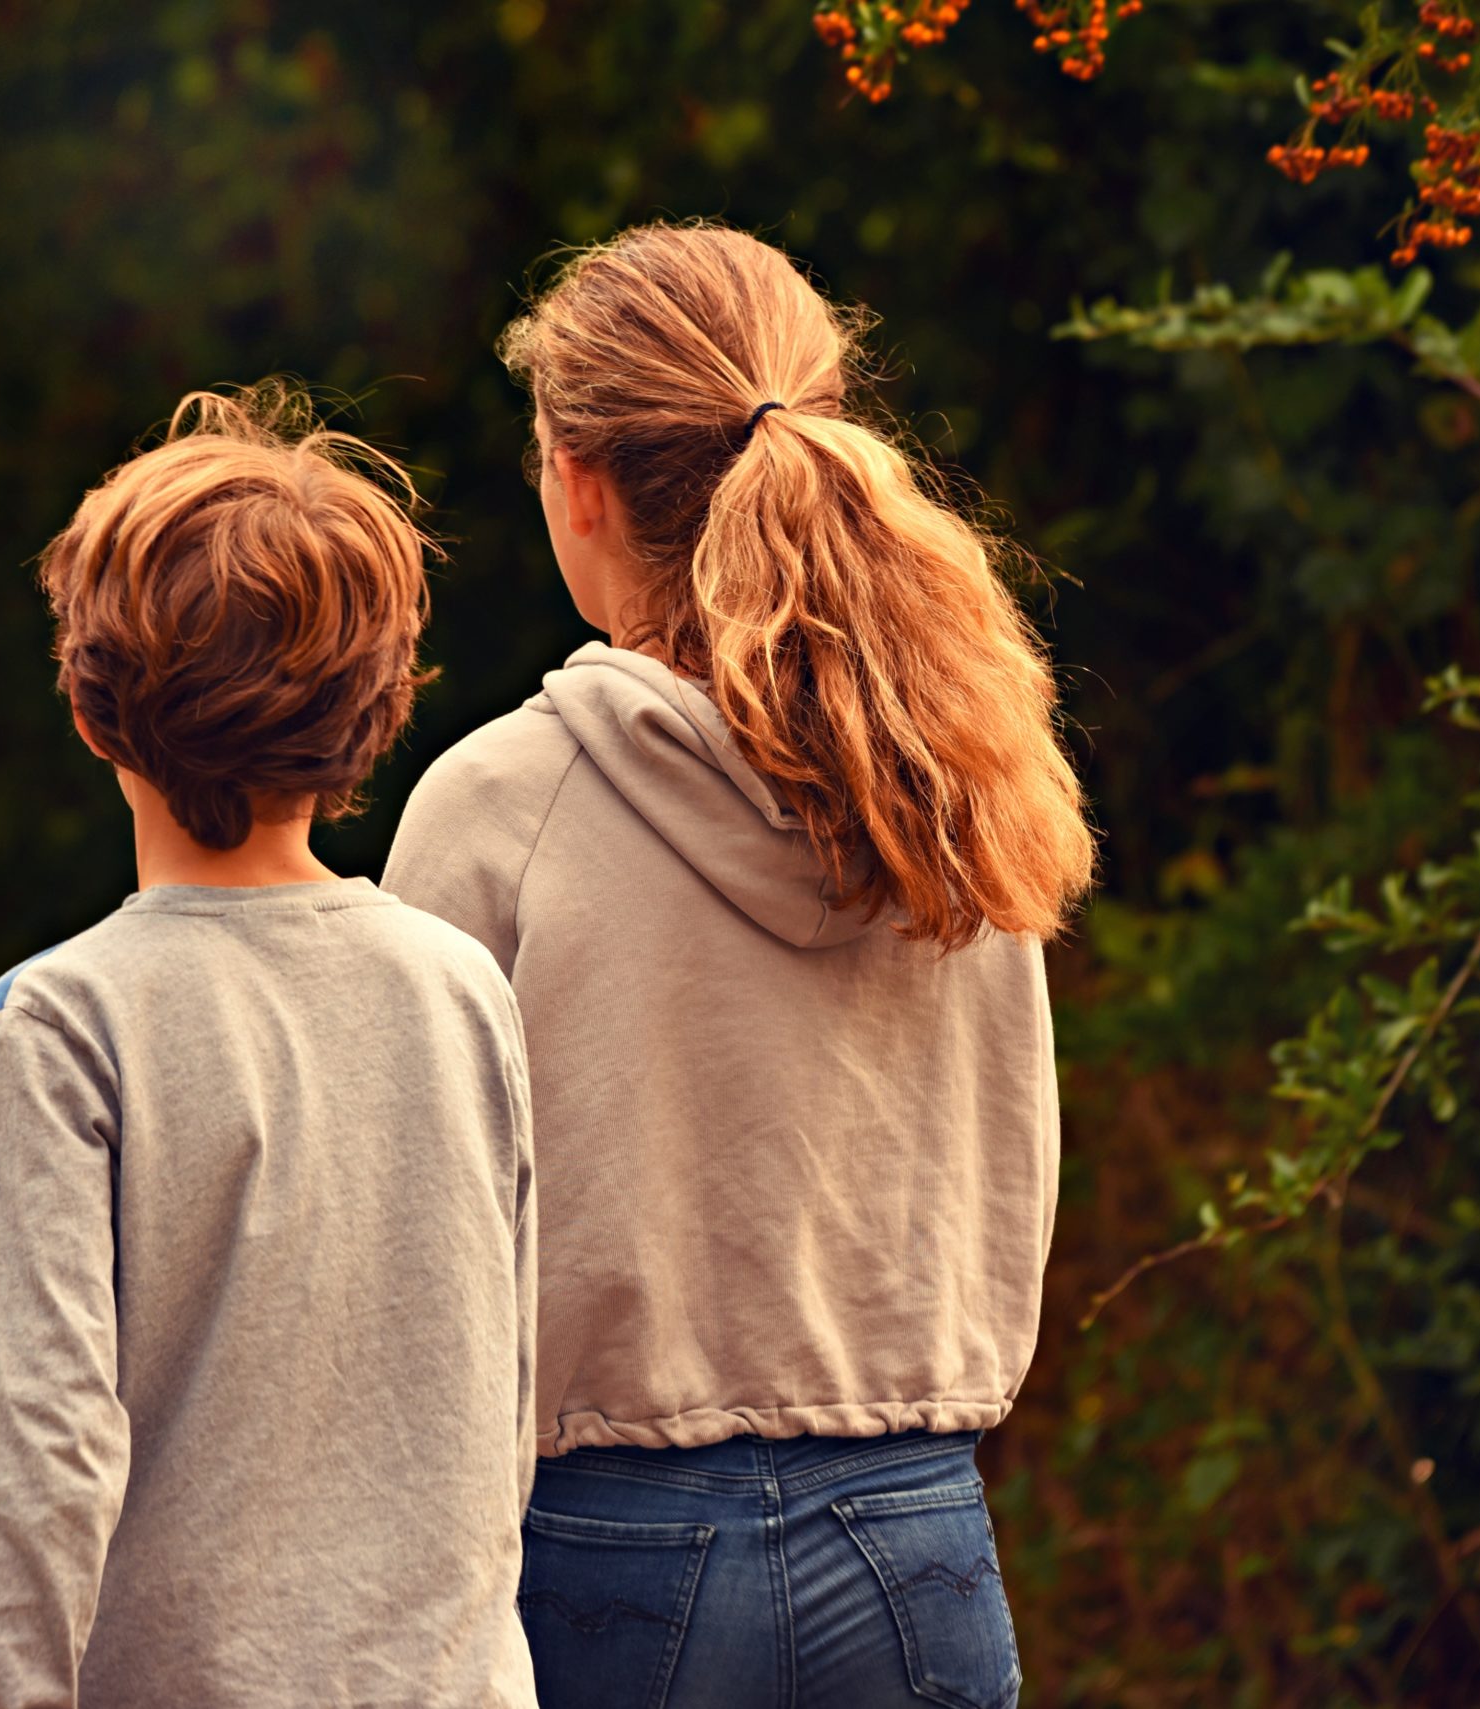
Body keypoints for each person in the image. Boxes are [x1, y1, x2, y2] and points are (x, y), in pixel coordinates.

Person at [384, 223, 1095, 1709]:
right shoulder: (965, 776)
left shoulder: (498, 806)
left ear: (578, 481)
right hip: (919, 1533)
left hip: (607, 1547)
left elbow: (413, 1251)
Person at [0, 384, 538, 1709]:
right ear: (375, 713)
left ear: (91, 708)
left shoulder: (50, 1027)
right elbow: (501, 1402)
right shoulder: (461, 986)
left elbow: (31, 1460)